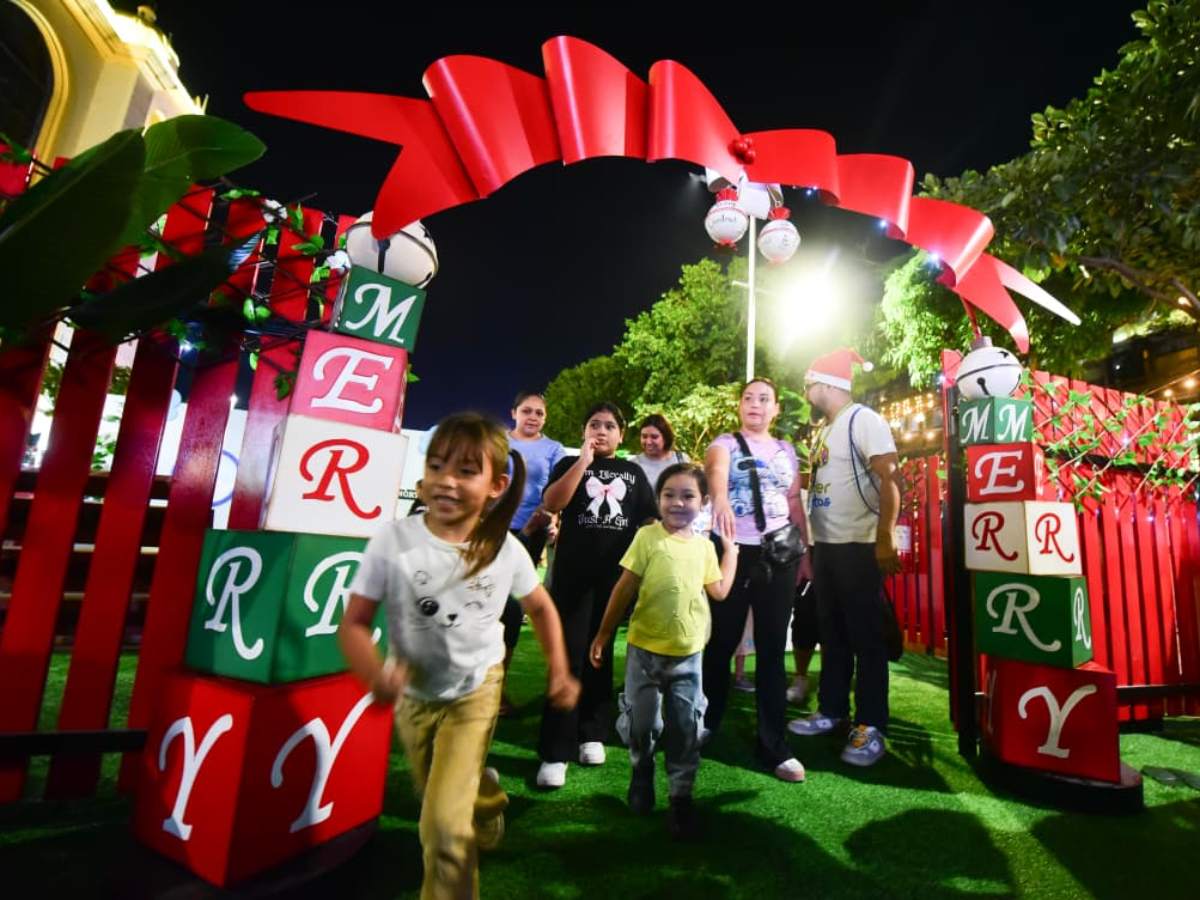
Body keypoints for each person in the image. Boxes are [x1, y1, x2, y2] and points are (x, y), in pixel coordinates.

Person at [338, 413, 580, 899]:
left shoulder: (504, 549)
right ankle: (485, 795)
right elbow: (355, 623)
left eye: (466, 471)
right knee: (440, 794)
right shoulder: (393, 540)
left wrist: (559, 670)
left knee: (443, 827)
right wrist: (374, 674)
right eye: (436, 466)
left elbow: (541, 608)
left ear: (497, 485)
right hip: (414, 698)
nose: (446, 481)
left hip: (475, 690)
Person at [588, 463, 737, 839]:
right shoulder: (647, 539)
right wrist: (603, 634)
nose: (677, 502)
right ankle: (641, 770)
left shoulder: (704, 548)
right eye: (669, 494)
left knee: (686, 728)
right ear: (658, 499)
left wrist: (731, 551)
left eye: (688, 495)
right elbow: (624, 587)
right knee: (643, 724)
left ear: (702, 502)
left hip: (689, 657)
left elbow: (719, 592)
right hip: (643, 653)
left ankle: (680, 797)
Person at [788, 349, 902, 767]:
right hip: (829, 549)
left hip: (859, 544)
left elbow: (890, 477)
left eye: (808, 383)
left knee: (866, 638)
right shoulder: (824, 429)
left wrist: (885, 537)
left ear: (826, 385)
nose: (805, 390)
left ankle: (871, 724)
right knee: (831, 633)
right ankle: (833, 710)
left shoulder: (862, 420)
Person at [535, 402, 658, 789]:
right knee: (569, 656)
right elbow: (553, 503)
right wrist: (583, 462)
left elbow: (649, 519)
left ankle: (592, 732)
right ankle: (556, 750)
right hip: (572, 579)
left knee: (599, 655)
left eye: (609, 426)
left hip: (614, 581)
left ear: (621, 434)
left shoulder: (634, 473)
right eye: (593, 425)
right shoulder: (569, 464)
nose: (601, 431)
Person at [703, 377, 810, 783]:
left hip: (780, 552)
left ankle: (774, 744)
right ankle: (706, 719)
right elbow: (716, 471)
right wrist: (722, 497)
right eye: (748, 398)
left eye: (764, 399)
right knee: (721, 642)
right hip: (734, 550)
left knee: (770, 648)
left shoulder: (787, 450)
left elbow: (795, 501)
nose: (756, 404)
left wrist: (807, 554)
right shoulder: (724, 442)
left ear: (776, 408)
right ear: (739, 406)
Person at [500, 390, 566, 715]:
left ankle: (497, 690)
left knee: (512, 609)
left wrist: (551, 519)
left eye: (539, 413)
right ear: (514, 412)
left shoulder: (552, 449)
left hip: (531, 533)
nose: (533, 417)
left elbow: (554, 494)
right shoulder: (497, 440)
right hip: (493, 530)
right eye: (527, 410)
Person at [631, 414, 688, 489]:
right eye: (644, 436)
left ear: (665, 437)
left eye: (654, 437)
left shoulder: (681, 460)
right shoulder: (633, 464)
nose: (648, 442)